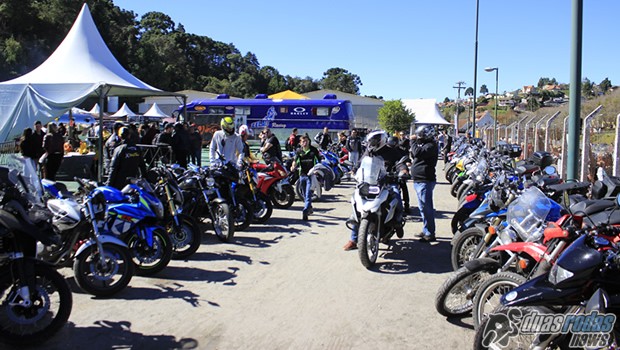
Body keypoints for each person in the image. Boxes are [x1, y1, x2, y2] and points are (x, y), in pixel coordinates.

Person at [343, 131, 405, 250]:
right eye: (370, 141)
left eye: (374, 141)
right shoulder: (368, 151)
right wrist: (354, 170)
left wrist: (402, 170)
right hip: (368, 183)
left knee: (396, 195)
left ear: (380, 140)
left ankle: (398, 220)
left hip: (387, 183)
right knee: (357, 205)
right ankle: (353, 239)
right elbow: (360, 163)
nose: (371, 143)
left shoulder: (391, 151)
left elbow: (399, 163)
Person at [410, 125, 439, 243]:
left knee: (426, 208)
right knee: (422, 207)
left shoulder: (431, 145)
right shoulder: (424, 144)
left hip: (425, 180)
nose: (418, 137)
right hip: (419, 180)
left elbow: (417, 153)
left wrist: (412, 141)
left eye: (420, 135)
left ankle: (430, 233)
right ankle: (426, 229)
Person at [291, 135, 320, 221]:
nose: (305, 143)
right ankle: (309, 207)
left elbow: (319, 161)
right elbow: (295, 161)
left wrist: (317, 170)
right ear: (300, 143)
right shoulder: (299, 151)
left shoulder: (313, 150)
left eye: (306, 141)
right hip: (302, 175)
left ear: (309, 141)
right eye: (303, 141)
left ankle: (305, 211)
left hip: (311, 175)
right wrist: (293, 167)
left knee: (308, 194)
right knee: (304, 195)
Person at [387, 136, 410, 212]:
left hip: (397, 173)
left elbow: (405, 158)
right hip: (386, 172)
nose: (391, 145)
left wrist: (407, 164)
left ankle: (406, 205)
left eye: (393, 143)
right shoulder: (386, 151)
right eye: (390, 143)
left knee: (403, 184)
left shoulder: (401, 151)